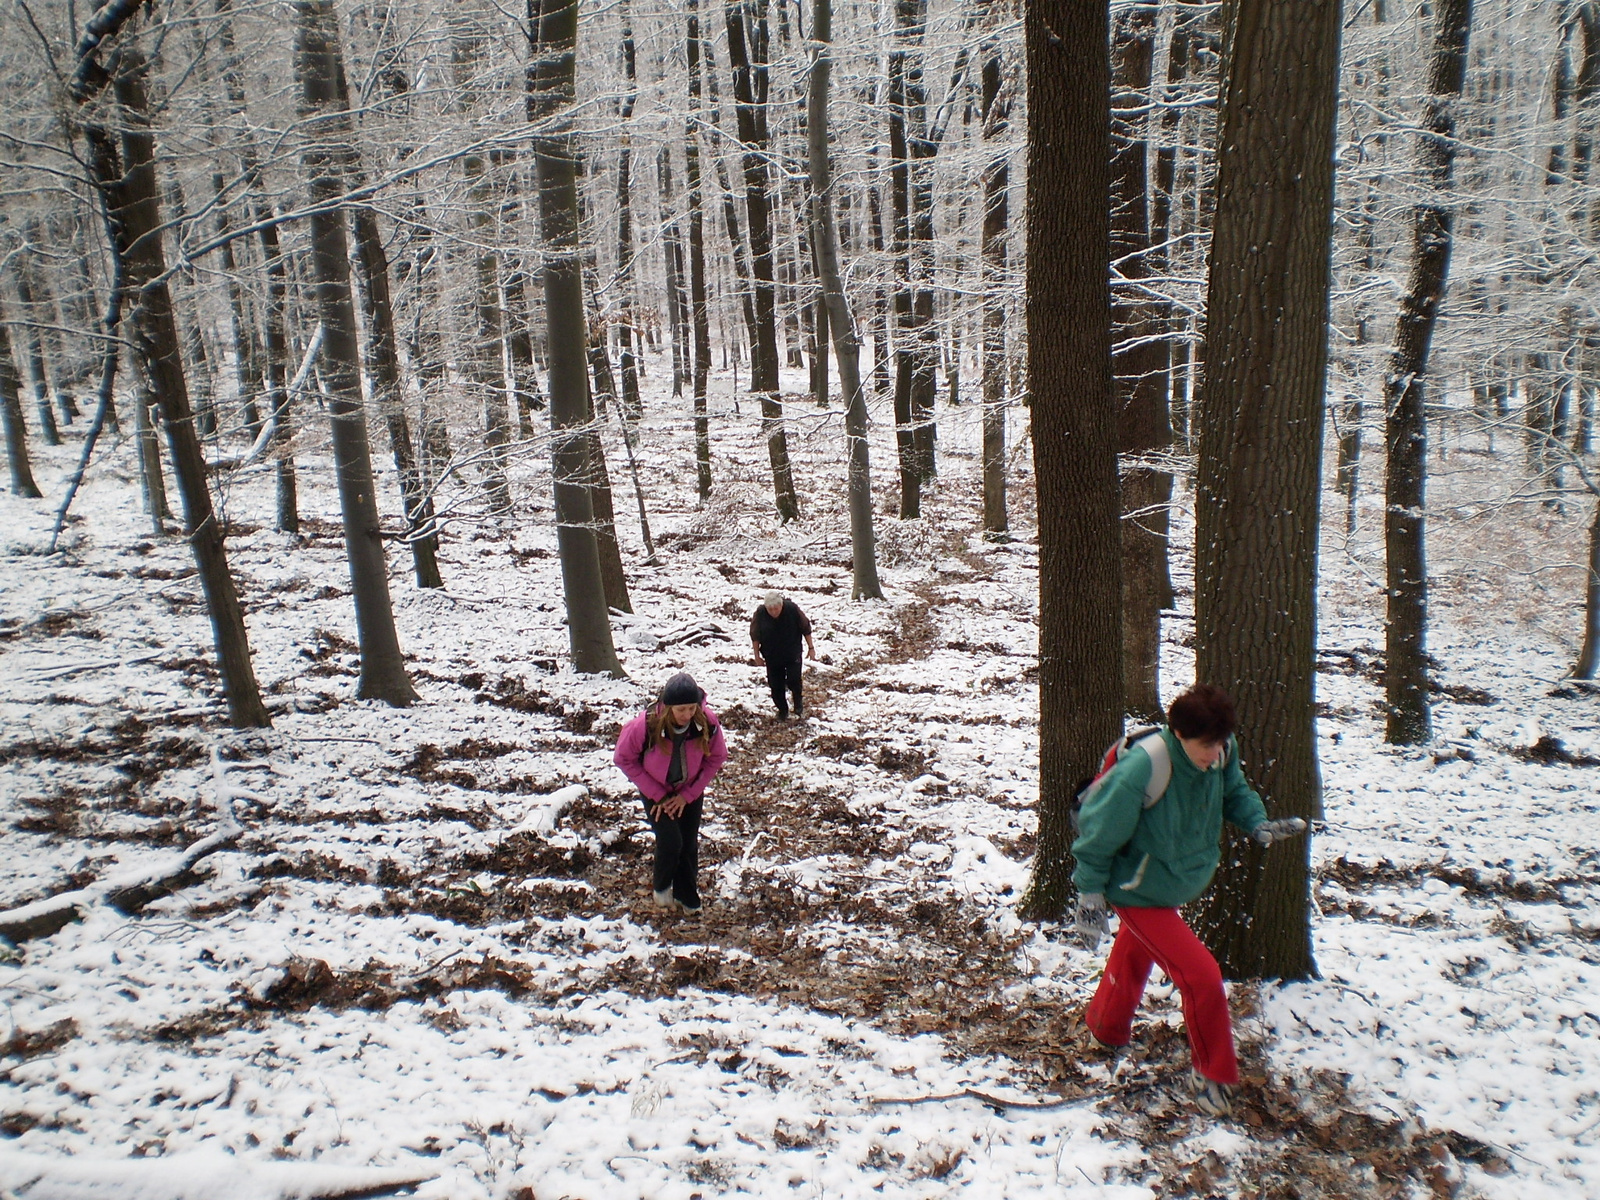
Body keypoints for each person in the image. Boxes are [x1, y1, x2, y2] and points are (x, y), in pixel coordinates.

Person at [1070, 684, 1307, 1118]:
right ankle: (1212, 1073)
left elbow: (1234, 792)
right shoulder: (1145, 766)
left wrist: (1257, 824)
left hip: (1173, 879)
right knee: (1201, 975)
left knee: (1135, 954)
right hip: (1136, 889)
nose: (1213, 753)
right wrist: (1090, 895)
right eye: (1205, 744)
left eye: (1220, 743)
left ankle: (1105, 1028)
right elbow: (1098, 832)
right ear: (1179, 733)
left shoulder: (1221, 750)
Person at [613, 672, 729, 914]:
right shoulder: (645, 725)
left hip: (689, 790)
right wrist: (659, 796)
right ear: (668, 708)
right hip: (656, 790)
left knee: (688, 843)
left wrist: (688, 795)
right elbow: (623, 758)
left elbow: (717, 757)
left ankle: (688, 898)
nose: (687, 715)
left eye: (691, 708)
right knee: (670, 841)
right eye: (681, 710)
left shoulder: (706, 722)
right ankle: (662, 888)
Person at [750, 590, 816, 719]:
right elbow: (755, 635)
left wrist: (811, 648)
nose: (773, 612)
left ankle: (798, 703)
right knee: (775, 686)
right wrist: (757, 656)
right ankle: (782, 710)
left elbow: (806, 628)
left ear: (781, 605)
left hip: (792, 653)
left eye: (776, 608)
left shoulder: (792, 609)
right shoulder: (760, 614)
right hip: (772, 655)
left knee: (794, 680)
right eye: (770, 609)